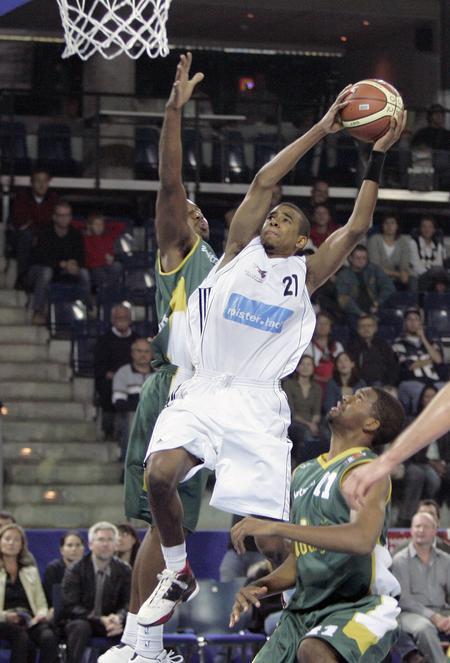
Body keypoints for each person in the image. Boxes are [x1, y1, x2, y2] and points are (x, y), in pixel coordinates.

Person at [138, 71, 406, 635]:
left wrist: (376, 156)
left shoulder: (304, 275)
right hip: (204, 386)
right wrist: (323, 128)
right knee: (158, 477)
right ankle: (178, 568)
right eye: (271, 215)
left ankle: (305, 616)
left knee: (268, 537)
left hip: (257, 402)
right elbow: (264, 181)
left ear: (303, 240)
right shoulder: (237, 249)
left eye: (285, 219)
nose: (273, 219)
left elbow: (357, 227)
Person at [100, 52, 218, 663]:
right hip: (178, 390)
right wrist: (173, 114)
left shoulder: (217, 267)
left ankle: (139, 642)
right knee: (161, 522)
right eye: (185, 208)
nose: (189, 209)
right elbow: (170, 185)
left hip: (193, 392)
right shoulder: (179, 249)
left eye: (198, 210)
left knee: (165, 526)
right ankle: (140, 644)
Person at [229, 386, 405, 663]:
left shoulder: (369, 470)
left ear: (371, 423)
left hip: (357, 605)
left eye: (359, 397)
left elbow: (362, 539)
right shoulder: (303, 472)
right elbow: (302, 559)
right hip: (303, 611)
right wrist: (261, 585)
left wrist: (277, 527)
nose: (346, 397)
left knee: (314, 650)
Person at [343, 382, 450, 508]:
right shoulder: (365, 422)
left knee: (420, 475)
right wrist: (382, 462)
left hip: (402, 464)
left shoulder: (407, 422)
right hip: (373, 462)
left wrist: (392, 462)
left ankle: (418, 513)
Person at [61, 521, 131, 663]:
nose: (105, 544)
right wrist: (99, 619)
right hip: (83, 620)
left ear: (115, 545)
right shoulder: (75, 569)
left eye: (110, 540)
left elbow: (129, 602)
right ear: (90, 544)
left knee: (132, 627)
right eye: (101, 539)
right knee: (80, 627)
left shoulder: (125, 570)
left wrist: (118, 618)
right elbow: (70, 606)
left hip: (112, 622)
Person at [391, 511, 450, 663]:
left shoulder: (446, 560)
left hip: (442, 611)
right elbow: (404, 600)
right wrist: (433, 617)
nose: (421, 530)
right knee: (425, 629)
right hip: (411, 614)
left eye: (426, 527)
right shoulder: (399, 560)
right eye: (417, 526)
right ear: (411, 530)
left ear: (435, 531)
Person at [0, 523, 59, 663]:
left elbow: (41, 603)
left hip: (29, 619)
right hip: (3, 620)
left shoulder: (30, 571)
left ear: (22, 545)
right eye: (7, 539)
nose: (11, 543)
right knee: (21, 636)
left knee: (48, 636)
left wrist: (40, 615)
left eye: (16, 540)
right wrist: (6, 616)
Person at [26, 199, 91, 325]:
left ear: (70, 217)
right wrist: (62, 264)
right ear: (54, 217)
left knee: (84, 273)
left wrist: (74, 264)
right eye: (61, 215)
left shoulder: (75, 234)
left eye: (66, 215)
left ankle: (87, 309)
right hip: (39, 269)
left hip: (64, 269)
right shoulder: (45, 232)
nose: (64, 219)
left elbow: (81, 257)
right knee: (46, 272)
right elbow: (41, 257)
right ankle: (37, 311)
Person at [395, 386, 443, 527]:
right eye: (427, 396)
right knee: (420, 475)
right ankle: (405, 518)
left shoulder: (445, 421)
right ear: (421, 399)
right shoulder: (413, 420)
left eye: (433, 396)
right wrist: (431, 463)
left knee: (435, 480)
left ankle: (430, 516)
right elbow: (412, 449)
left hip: (438, 462)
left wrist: (443, 462)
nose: (430, 400)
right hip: (413, 462)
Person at [94, 304, 139, 439]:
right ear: (113, 320)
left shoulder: (137, 340)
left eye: (125, 318)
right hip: (112, 380)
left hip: (135, 379)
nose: (122, 321)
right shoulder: (103, 341)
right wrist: (117, 377)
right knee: (107, 389)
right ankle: (109, 430)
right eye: (119, 318)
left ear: (130, 320)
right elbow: (100, 367)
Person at [9, 168, 58, 288]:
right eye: (38, 181)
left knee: (54, 234)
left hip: (43, 234)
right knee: (27, 235)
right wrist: (37, 228)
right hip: (21, 236)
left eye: (45, 181)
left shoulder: (53, 198)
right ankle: (22, 277)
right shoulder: (22, 196)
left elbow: (53, 221)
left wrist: (37, 227)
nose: (42, 185)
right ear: (32, 183)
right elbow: (20, 222)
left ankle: (53, 277)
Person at [393, 307, 443, 414]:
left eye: (416, 319)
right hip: (413, 381)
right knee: (423, 393)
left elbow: (438, 360)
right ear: (405, 323)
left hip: (434, 381)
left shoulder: (430, 342)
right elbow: (410, 366)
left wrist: (423, 338)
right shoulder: (399, 343)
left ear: (420, 323)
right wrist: (430, 359)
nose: (413, 322)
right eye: (409, 319)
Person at [112, 337, 153, 461]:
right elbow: (118, 403)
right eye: (139, 351)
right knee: (132, 418)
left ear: (152, 354)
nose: (143, 355)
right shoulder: (123, 373)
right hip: (131, 417)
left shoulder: (159, 374)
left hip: (155, 417)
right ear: (132, 353)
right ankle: (130, 464)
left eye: (146, 352)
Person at [335, 244, 396, 323]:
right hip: (354, 312)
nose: (361, 261)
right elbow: (343, 299)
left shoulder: (375, 269)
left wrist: (377, 303)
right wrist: (360, 313)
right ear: (350, 258)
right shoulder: (343, 275)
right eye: (358, 258)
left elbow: (389, 287)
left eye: (364, 258)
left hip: (376, 307)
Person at [282, 354, 322, 464]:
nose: (305, 367)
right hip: (294, 422)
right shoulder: (288, 385)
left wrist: (313, 424)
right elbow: (291, 412)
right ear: (297, 367)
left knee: (325, 436)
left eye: (309, 364)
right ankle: (302, 466)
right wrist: (309, 425)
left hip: (312, 423)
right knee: (306, 436)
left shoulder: (317, 388)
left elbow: (317, 412)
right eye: (302, 364)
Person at [347, 314, 399, 386]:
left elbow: (392, 366)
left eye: (369, 326)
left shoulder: (383, 345)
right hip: (359, 383)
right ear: (358, 330)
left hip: (381, 383)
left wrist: (389, 384)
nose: (366, 329)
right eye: (362, 326)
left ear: (375, 328)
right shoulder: (352, 346)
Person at [80, 212, 125, 290]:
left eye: (101, 224)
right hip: (95, 267)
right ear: (90, 226)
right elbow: (91, 256)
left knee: (117, 266)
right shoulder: (86, 238)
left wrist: (106, 224)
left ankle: (106, 288)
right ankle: (107, 289)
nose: (99, 227)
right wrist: (87, 226)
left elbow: (121, 225)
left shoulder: (108, 236)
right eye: (96, 224)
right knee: (99, 274)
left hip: (108, 265)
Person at [367, 213, 411, 290]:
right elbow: (375, 266)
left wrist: (403, 273)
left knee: (411, 280)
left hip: (398, 277)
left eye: (392, 223)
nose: (389, 226)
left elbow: (404, 264)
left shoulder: (403, 242)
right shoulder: (374, 239)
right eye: (386, 223)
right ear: (382, 225)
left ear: (397, 226)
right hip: (378, 276)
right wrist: (397, 274)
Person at [43, 530, 84, 608]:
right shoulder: (53, 569)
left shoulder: (89, 568)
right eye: (69, 545)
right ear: (62, 550)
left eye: (78, 545)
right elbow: (51, 597)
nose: (74, 549)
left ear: (83, 549)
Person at [305, 312, 344, 394]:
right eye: (320, 323)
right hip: (313, 385)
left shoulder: (337, 346)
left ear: (330, 327)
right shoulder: (307, 346)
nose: (322, 326)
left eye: (326, 323)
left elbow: (343, 367)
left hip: (335, 386)